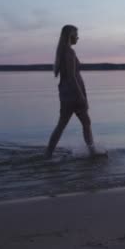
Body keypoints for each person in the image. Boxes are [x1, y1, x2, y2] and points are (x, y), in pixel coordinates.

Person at [45, 24, 96, 159]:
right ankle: (93, 152)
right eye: (76, 35)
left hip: (66, 95)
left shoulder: (62, 52)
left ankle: (48, 154)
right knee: (86, 123)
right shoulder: (69, 52)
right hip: (73, 95)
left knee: (62, 125)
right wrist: (81, 97)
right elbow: (72, 77)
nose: (78, 38)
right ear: (70, 36)